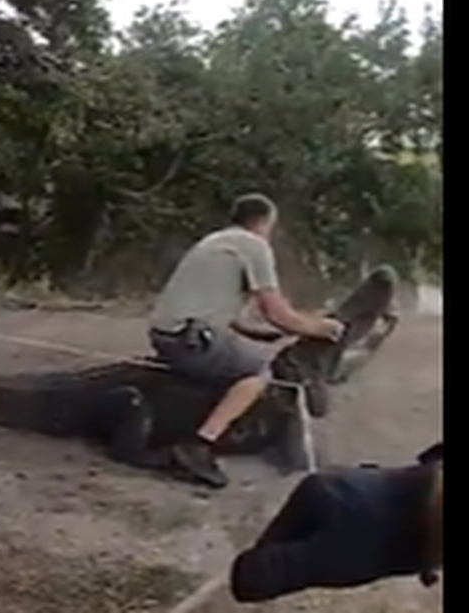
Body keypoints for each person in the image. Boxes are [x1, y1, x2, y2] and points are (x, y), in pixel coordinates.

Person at [148, 193, 344, 488]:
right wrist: (320, 328)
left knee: (245, 355)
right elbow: (276, 311)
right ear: (265, 222)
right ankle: (199, 445)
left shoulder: (217, 241)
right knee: (258, 371)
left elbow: (224, 311)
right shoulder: (254, 245)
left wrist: (262, 334)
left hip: (165, 334)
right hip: (187, 340)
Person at [230, 444, 443, 603]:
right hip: (372, 534)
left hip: (354, 486)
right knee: (253, 578)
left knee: (264, 566)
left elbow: (431, 456)